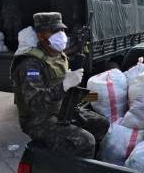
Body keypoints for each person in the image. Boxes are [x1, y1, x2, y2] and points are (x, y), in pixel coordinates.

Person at [10, 12, 109, 159]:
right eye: (54, 31)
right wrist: (64, 85)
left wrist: (93, 96)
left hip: (61, 109)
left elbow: (69, 90)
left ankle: (95, 161)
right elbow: (35, 103)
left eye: (62, 30)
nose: (61, 34)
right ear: (40, 35)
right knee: (86, 141)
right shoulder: (30, 64)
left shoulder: (58, 55)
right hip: (39, 120)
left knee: (101, 123)